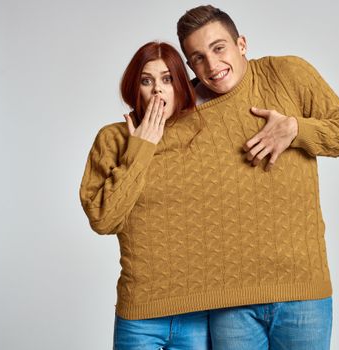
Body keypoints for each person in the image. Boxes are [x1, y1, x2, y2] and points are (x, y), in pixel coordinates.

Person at [175, 5, 339, 350]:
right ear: (190, 65)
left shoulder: (287, 73)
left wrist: (295, 128)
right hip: (226, 296)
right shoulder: (185, 109)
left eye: (219, 48)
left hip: (301, 287)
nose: (212, 66)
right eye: (198, 58)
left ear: (241, 44)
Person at [79, 41, 210, 350]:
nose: (158, 91)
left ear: (181, 84)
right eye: (147, 80)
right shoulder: (113, 138)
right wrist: (142, 147)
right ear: (134, 87)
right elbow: (103, 219)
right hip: (139, 315)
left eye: (167, 79)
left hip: (199, 313)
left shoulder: (202, 133)